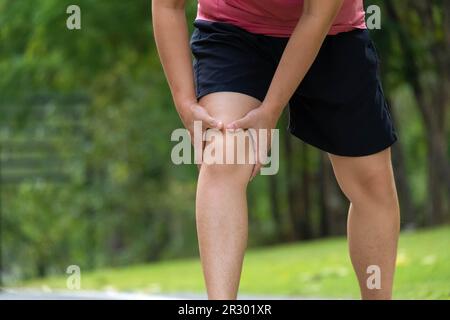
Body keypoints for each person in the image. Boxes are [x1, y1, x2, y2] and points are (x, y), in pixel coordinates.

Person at [152, 0, 400, 300]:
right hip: (234, 30)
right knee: (223, 153)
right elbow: (168, 6)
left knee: (370, 183)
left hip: (332, 31)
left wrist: (271, 109)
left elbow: (316, 15)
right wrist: (185, 103)